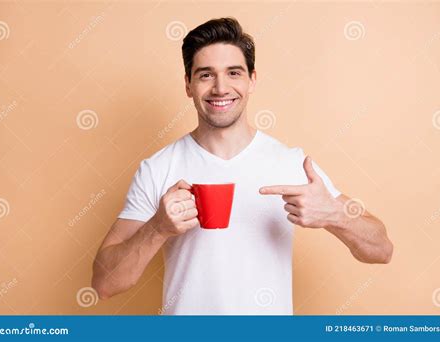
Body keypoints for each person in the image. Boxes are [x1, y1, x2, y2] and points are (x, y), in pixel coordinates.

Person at [91, 17, 393, 315]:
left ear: (252, 80)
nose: (221, 88)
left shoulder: (290, 164)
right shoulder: (158, 168)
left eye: (233, 73)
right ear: (188, 84)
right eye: (205, 75)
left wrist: (335, 214)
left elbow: (381, 250)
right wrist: (157, 228)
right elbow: (104, 283)